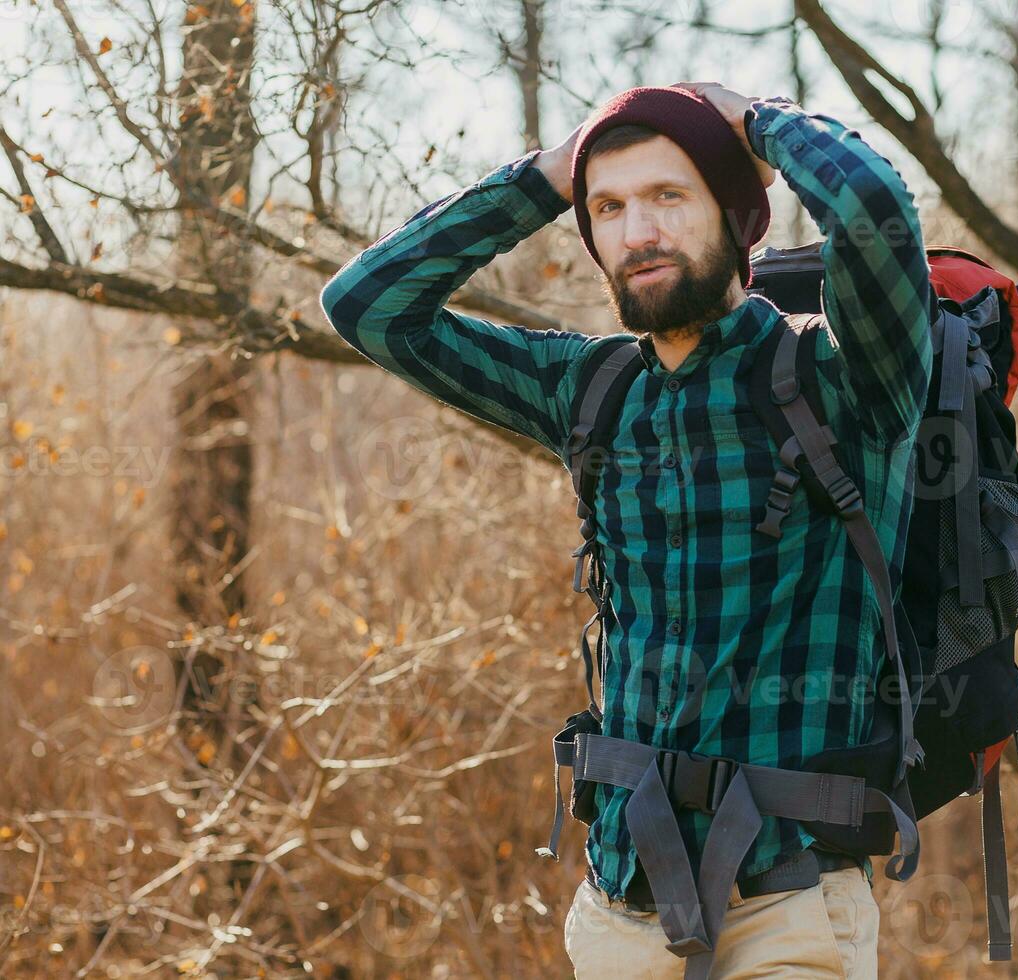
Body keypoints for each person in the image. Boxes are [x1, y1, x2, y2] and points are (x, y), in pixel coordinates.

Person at [320, 81, 933, 978]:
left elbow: (875, 208)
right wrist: (540, 179)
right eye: (607, 208)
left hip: (789, 912)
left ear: (737, 216)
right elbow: (369, 307)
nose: (637, 231)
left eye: (668, 197)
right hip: (619, 913)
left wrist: (758, 121)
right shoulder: (592, 389)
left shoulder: (847, 380)